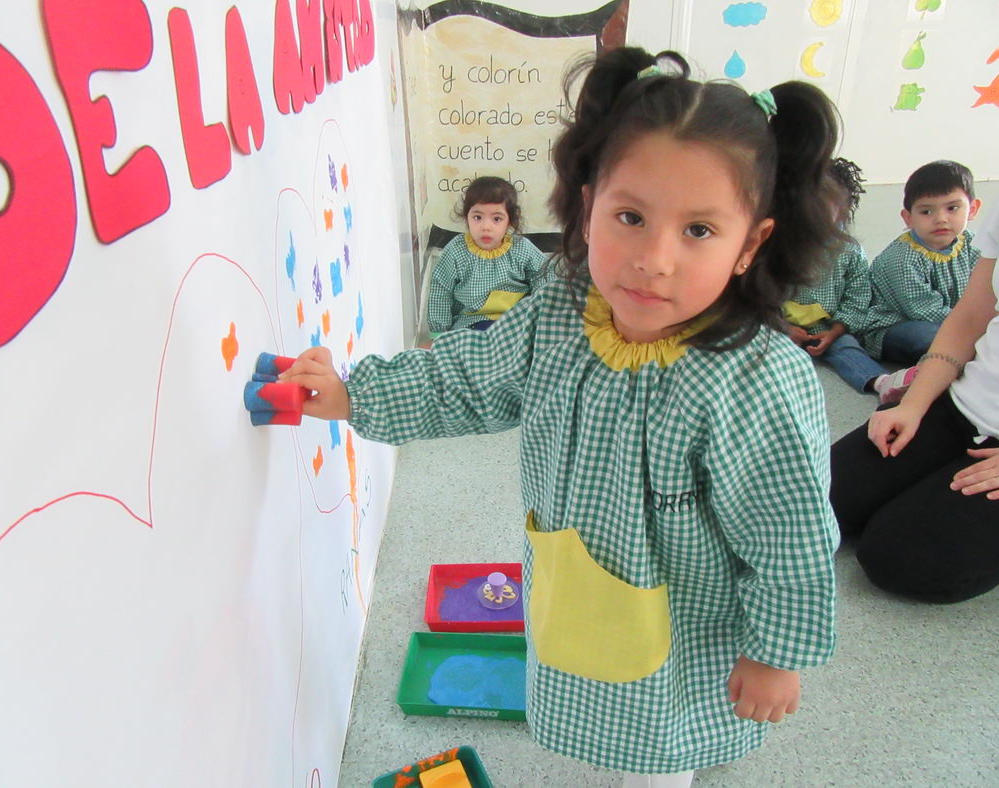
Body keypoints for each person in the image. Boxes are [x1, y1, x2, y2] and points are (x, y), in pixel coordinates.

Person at [281, 48, 840, 787]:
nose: (653, 259)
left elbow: (789, 536)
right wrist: (359, 392)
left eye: (698, 231)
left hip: (686, 623)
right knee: (588, 689)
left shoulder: (756, 379)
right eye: (630, 217)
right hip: (577, 577)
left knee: (658, 747)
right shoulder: (560, 307)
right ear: (586, 206)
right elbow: (466, 377)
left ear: (751, 244)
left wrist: (775, 654)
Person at [830, 202, 999, 603]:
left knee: (897, 558)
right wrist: (914, 404)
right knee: (816, 502)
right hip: (963, 404)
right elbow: (971, 316)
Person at [783, 157, 907, 400]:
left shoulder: (850, 251)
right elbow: (758, 293)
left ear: (841, 212)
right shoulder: (777, 246)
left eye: (821, 206)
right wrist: (782, 327)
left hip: (828, 328)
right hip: (778, 324)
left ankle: (880, 383)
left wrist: (835, 332)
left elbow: (858, 297)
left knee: (849, 348)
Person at [859, 160, 981, 374]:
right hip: (896, 325)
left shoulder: (972, 243)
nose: (941, 219)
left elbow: (984, 288)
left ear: (972, 209)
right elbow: (925, 311)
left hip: (955, 320)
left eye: (952, 208)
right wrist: (975, 328)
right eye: (926, 212)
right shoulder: (902, 259)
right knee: (929, 337)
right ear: (908, 218)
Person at [426, 176, 549, 335]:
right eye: (477, 217)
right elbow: (441, 290)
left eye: (497, 219)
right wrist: (438, 334)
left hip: (517, 322)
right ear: (467, 217)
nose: (486, 227)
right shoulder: (457, 250)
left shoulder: (521, 248)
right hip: (472, 323)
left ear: (510, 221)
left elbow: (544, 273)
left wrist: (540, 312)